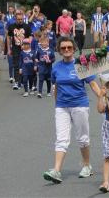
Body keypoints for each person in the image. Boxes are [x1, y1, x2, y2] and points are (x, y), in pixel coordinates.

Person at [43, 36, 101, 184]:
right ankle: (56, 171)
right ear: (59, 50)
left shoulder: (81, 64)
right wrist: (57, 105)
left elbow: (93, 84)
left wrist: (103, 98)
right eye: (63, 48)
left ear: (74, 49)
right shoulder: (56, 67)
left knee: (82, 138)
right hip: (62, 107)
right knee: (61, 139)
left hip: (79, 105)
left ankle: (87, 165)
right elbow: (55, 87)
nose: (66, 50)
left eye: (69, 47)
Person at [7, 10, 32, 90]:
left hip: (25, 48)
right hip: (15, 48)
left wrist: (27, 44)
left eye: (21, 19)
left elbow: (30, 36)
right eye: (18, 19)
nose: (20, 21)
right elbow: (8, 37)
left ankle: (24, 81)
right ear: (15, 19)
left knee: (26, 65)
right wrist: (8, 49)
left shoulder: (26, 26)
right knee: (16, 65)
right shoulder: (11, 26)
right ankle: (17, 82)